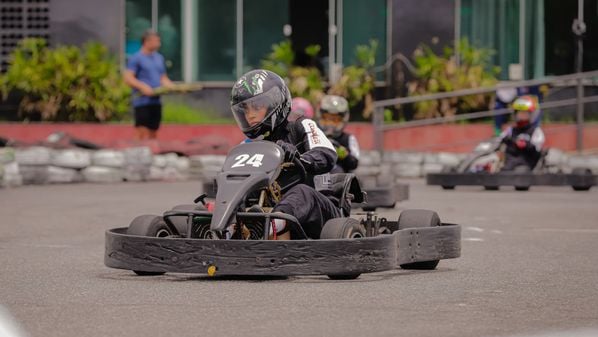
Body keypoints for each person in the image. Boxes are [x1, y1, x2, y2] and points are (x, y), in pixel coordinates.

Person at [231, 69, 339, 239]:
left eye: (257, 106)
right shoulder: (250, 145)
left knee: (301, 191)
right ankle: (229, 232)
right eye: (245, 109)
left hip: (321, 213)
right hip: (279, 212)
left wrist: (298, 156)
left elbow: (326, 154)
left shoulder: (301, 125)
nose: (250, 114)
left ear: (275, 102)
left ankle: (267, 228)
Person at [123, 30, 174, 140]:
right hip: (142, 101)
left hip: (156, 101)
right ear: (147, 42)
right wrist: (143, 86)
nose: (159, 44)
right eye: (156, 41)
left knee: (153, 131)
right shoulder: (136, 58)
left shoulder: (159, 58)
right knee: (142, 131)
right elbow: (128, 78)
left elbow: (163, 77)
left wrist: (170, 86)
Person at [499, 95, 545, 171]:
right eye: (519, 113)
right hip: (509, 165)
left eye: (525, 113)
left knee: (520, 171)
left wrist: (526, 145)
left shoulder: (536, 131)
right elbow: (499, 139)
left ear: (531, 114)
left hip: (526, 165)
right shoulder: (510, 130)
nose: (521, 115)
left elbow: (538, 150)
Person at [315, 95, 360, 173]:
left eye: (335, 120)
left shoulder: (348, 138)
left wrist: (344, 154)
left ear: (344, 119)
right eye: (326, 119)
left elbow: (354, 164)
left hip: (340, 181)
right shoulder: (313, 135)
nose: (330, 124)